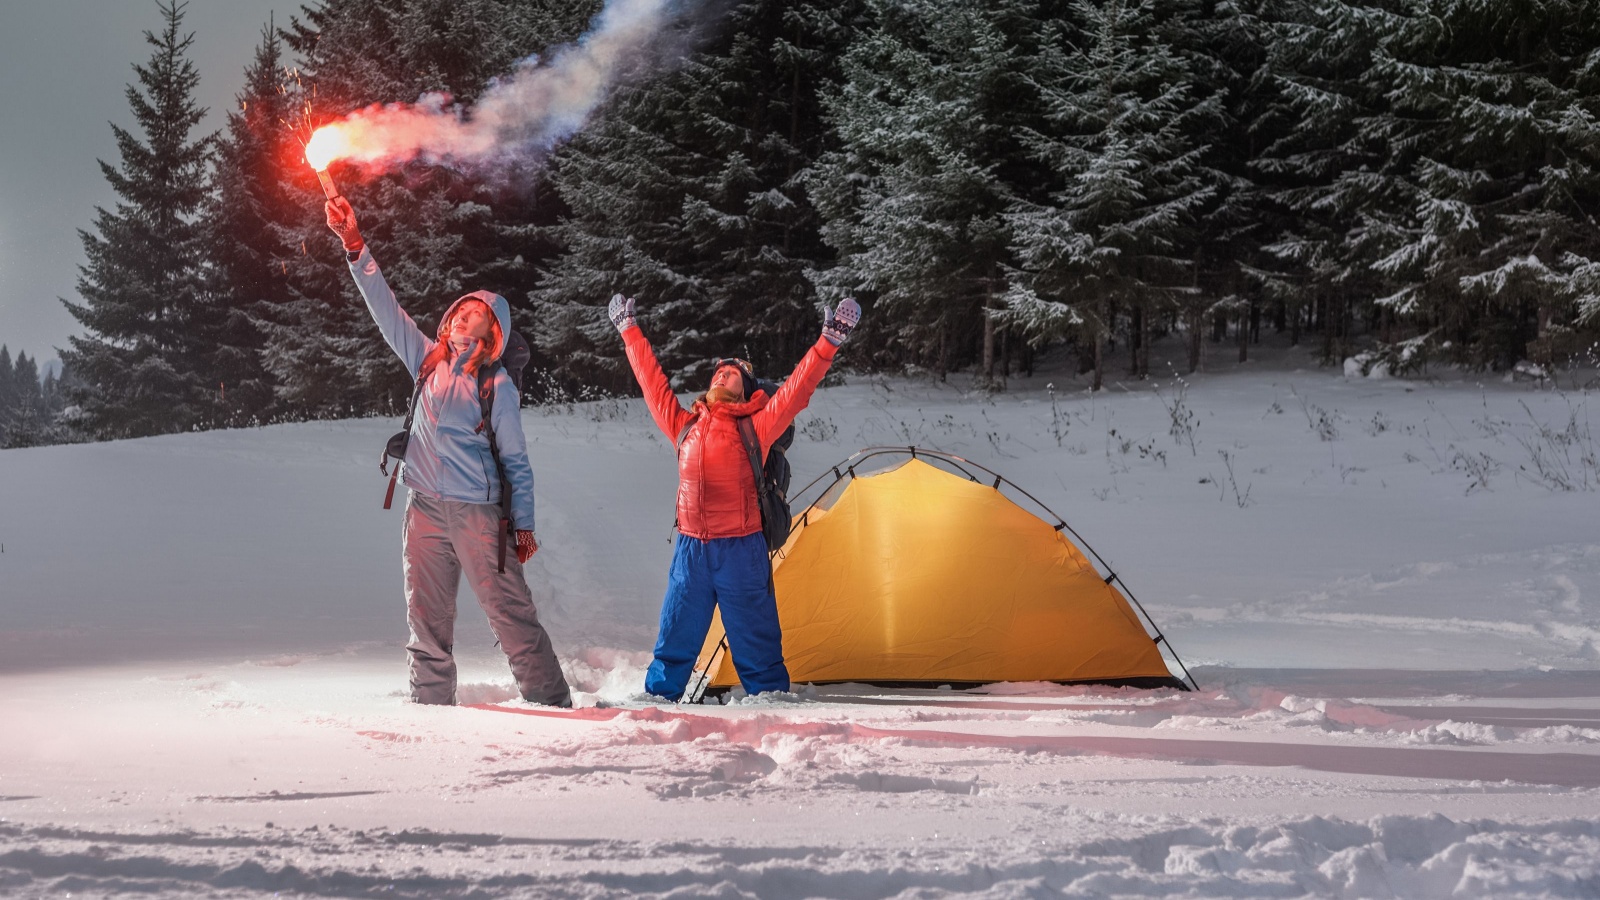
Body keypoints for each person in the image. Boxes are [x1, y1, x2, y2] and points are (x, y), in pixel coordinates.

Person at [327, 197, 571, 708]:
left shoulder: (497, 383)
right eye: (460, 310)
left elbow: (516, 463)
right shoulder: (425, 358)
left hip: (478, 516)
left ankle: (550, 703)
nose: (463, 316)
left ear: (494, 332)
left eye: (476, 313)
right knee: (426, 618)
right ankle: (430, 711)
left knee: (509, 613)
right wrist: (355, 245)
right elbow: (384, 306)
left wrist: (521, 524)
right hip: (423, 510)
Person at [607, 292, 861, 701]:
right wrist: (629, 330)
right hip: (691, 550)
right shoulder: (684, 425)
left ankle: (770, 702)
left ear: (746, 391)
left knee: (755, 638)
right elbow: (652, 384)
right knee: (676, 633)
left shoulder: (757, 428)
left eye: (733, 374)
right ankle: (658, 699)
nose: (723, 376)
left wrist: (828, 342)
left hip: (741, 550)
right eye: (719, 373)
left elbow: (797, 390)